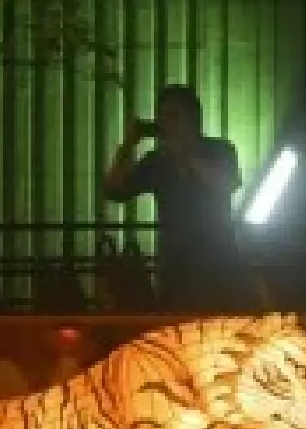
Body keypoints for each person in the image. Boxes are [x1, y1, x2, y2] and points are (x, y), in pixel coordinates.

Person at [101, 85, 250, 313]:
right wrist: (129, 143)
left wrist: (188, 156)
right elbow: (113, 190)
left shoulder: (219, 150)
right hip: (176, 267)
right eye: (162, 118)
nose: (167, 125)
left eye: (174, 117)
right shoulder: (158, 161)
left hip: (219, 263)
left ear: (193, 118)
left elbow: (226, 184)